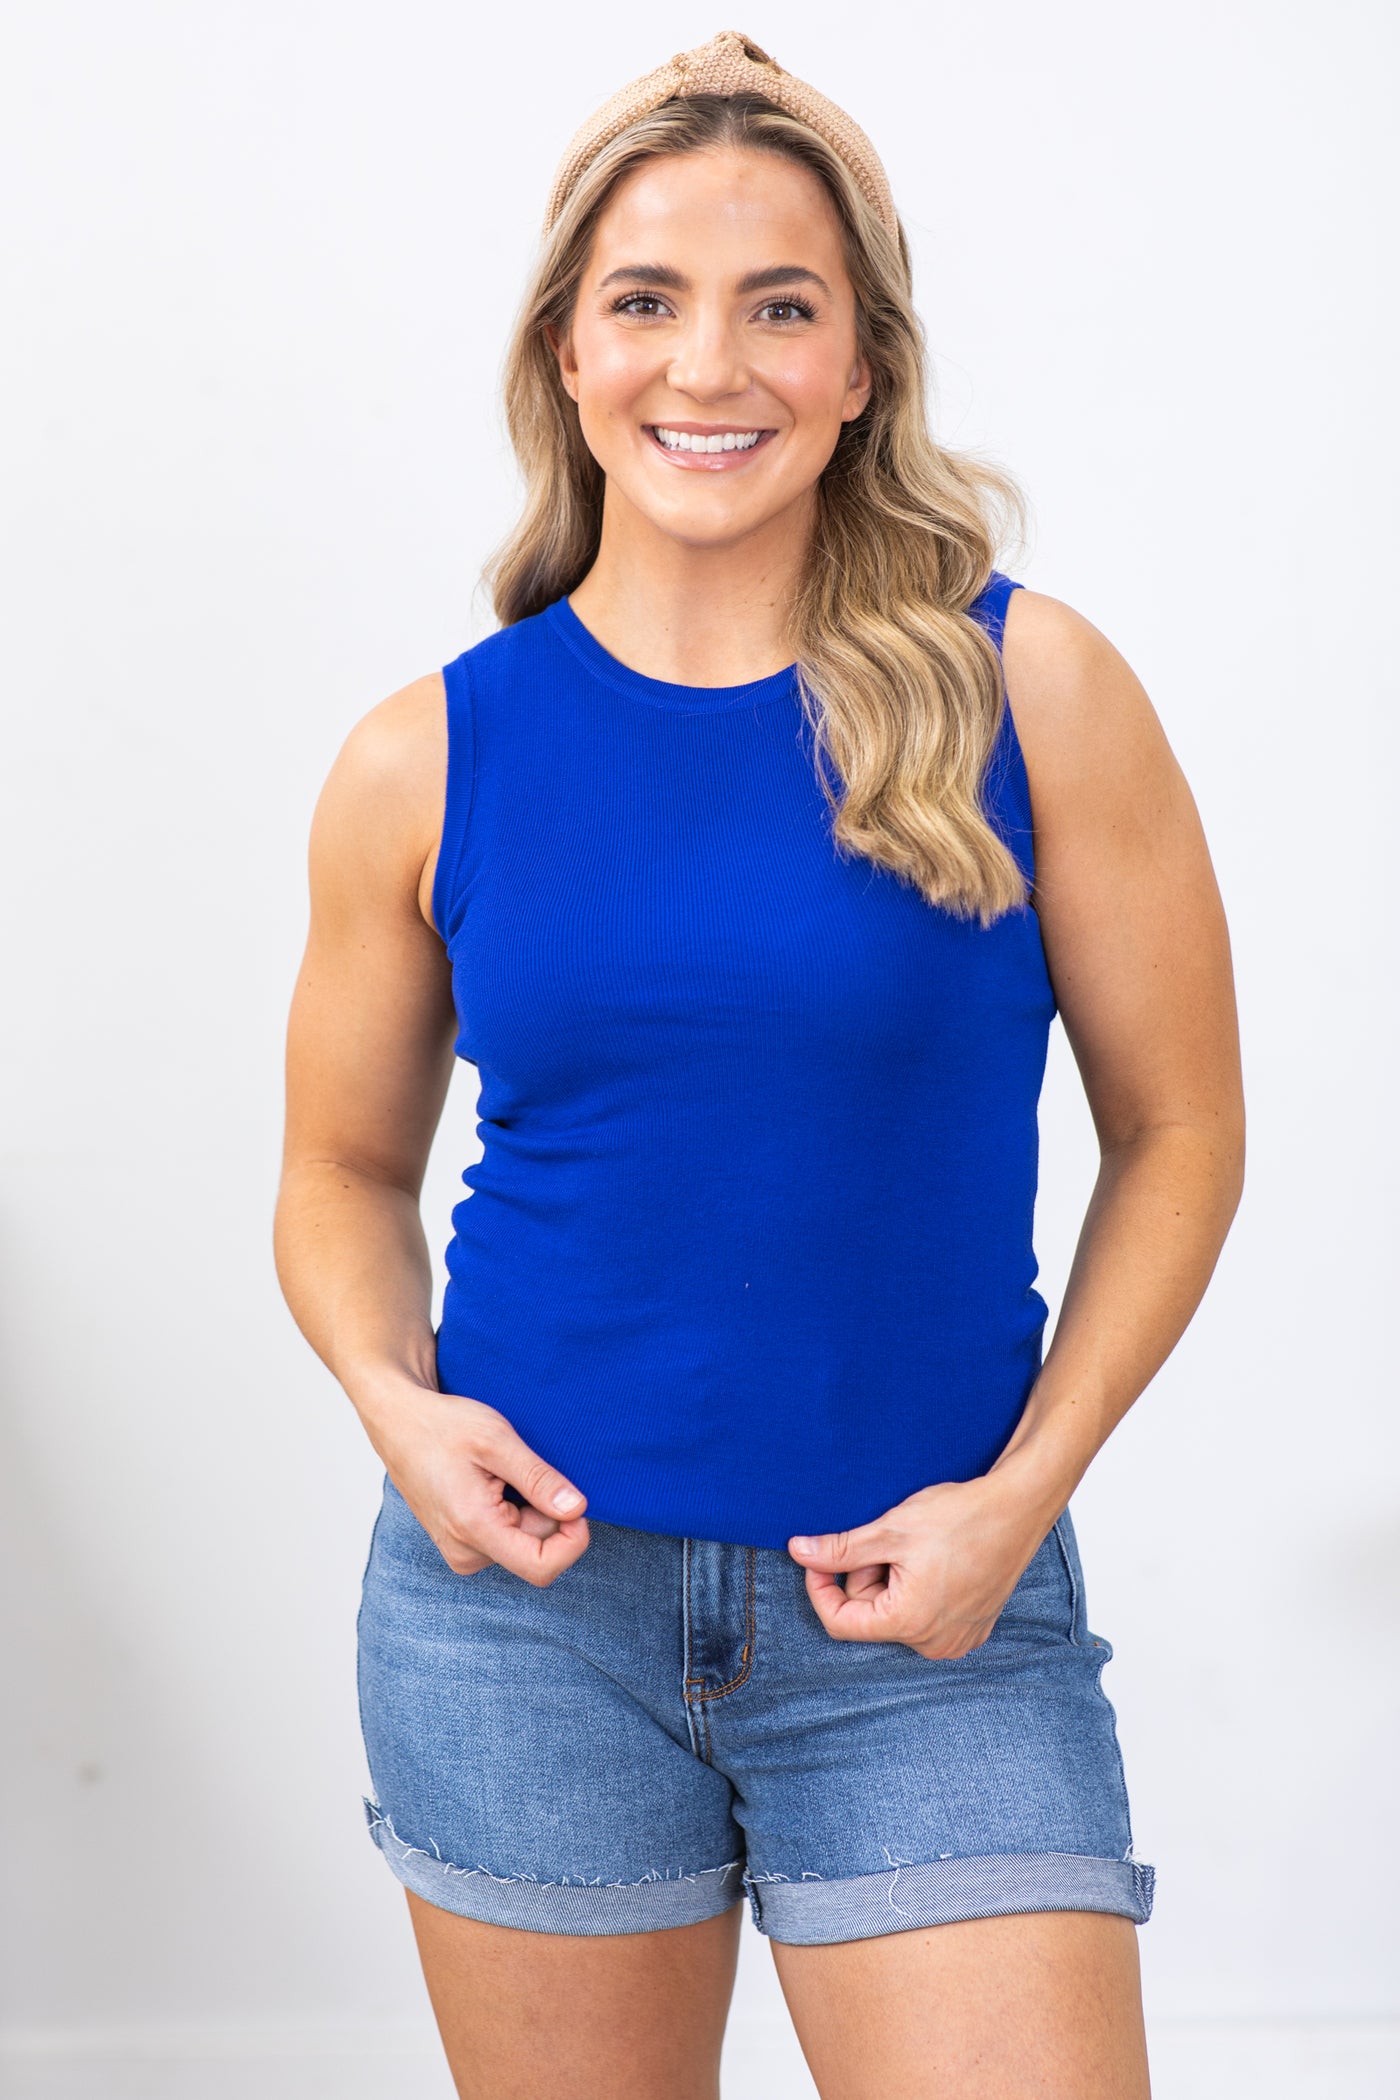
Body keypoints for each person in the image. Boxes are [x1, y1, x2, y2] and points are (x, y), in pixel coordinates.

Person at [273, 30, 1244, 2100]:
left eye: (780, 307)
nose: (708, 365)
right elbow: (340, 1171)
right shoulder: (424, 755)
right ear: (565, 350)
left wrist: (1023, 1496)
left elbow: (1179, 1132)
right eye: (647, 300)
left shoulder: (1029, 690)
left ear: (864, 362)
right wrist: (392, 1401)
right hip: (520, 1628)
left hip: (933, 1623)